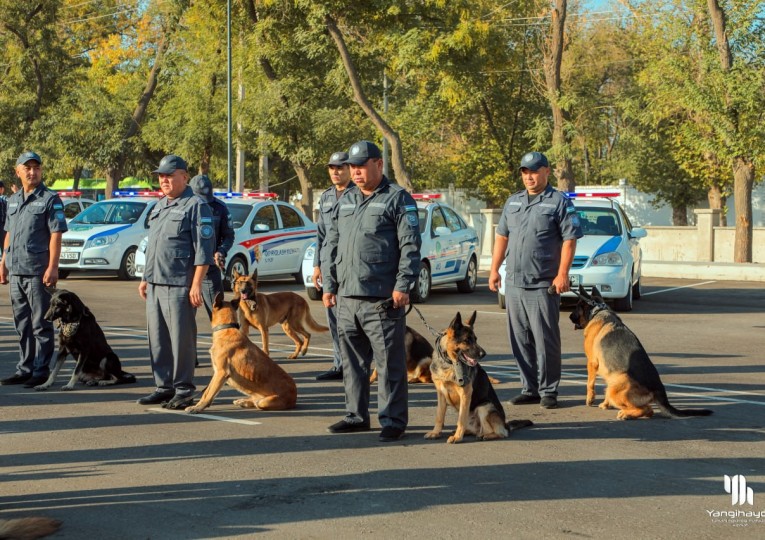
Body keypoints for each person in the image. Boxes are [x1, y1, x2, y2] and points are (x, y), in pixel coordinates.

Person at [321, 140, 421, 442]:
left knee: (389, 364)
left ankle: (392, 419)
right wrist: (329, 284)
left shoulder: (398, 199)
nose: (356, 172)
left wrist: (404, 285)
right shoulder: (347, 199)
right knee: (352, 364)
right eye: (352, 167)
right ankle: (356, 415)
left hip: (382, 299)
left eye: (361, 166)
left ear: (379, 164)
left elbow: (410, 247)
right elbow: (331, 243)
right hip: (347, 298)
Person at [488, 151, 583, 409]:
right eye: (525, 172)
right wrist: (494, 269)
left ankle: (549, 390)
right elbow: (502, 237)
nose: (529, 176)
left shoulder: (559, 202)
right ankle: (529, 388)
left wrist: (563, 273)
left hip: (543, 284)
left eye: (534, 171)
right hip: (514, 283)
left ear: (547, 171)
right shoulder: (513, 202)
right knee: (520, 339)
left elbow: (570, 239)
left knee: (545, 340)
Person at [137, 155, 215, 409]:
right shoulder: (159, 205)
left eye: (169, 175)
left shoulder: (196, 205)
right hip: (156, 283)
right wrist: (145, 278)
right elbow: (154, 246)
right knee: (157, 339)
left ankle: (183, 389)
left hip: (180, 284)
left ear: (184, 176)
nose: (164, 180)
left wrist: (196, 284)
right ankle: (163, 386)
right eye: (161, 176)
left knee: (181, 340)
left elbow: (204, 250)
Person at [0, 152, 68, 387]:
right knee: (22, 323)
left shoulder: (50, 199)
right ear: (17, 171)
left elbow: (56, 234)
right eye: (27, 168)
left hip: (38, 271)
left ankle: (41, 369)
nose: (32, 172)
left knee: (41, 323)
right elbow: (8, 233)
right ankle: (24, 368)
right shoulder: (13, 200)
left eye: (36, 167)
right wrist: (3, 263)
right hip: (16, 269)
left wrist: (53, 267)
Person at [313, 150, 356, 381]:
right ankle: (339, 366)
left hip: (349, 265)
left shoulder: (357, 194)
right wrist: (317, 265)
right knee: (333, 320)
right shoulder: (327, 196)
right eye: (332, 168)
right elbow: (321, 234)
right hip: (329, 266)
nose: (335, 172)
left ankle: (356, 367)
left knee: (352, 322)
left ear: (349, 169)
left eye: (340, 167)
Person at [190, 174, 235, 321]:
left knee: (220, 316)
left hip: (210, 270)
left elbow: (229, 235)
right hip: (186, 270)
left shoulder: (220, 208)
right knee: (184, 320)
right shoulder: (184, 207)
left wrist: (221, 251)